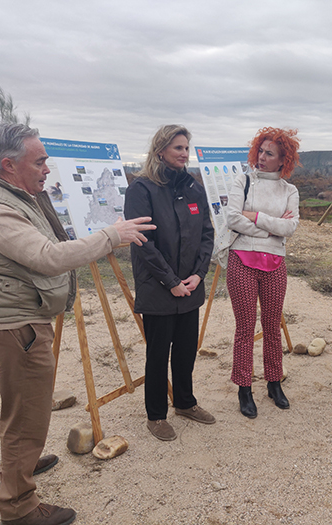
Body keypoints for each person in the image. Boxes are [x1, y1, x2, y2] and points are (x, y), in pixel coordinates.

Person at [0, 123, 155, 525]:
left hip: (21, 321)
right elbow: (47, 257)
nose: (48, 168)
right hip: (14, 326)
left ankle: (25, 463)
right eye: (40, 161)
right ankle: (18, 507)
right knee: (25, 418)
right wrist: (110, 235)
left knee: (25, 410)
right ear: (8, 165)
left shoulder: (16, 193)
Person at [124, 125, 216, 441]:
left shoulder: (193, 187)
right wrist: (171, 280)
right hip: (159, 287)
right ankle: (156, 415)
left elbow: (206, 233)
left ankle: (185, 403)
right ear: (161, 149)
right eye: (178, 148)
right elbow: (143, 242)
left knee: (187, 350)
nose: (184, 154)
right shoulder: (142, 190)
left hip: (189, 286)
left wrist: (198, 274)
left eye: (187, 148)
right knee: (158, 353)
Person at [226, 127, 300, 418]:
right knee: (245, 328)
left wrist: (254, 216)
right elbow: (232, 218)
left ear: (283, 160)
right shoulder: (242, 180)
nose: (261, 157)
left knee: (272, 326)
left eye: (270, 153)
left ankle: (273, 381)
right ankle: (244, 388)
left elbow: (290, 227)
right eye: (260, 150)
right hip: (241, 259)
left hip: (274, 264)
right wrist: (272, 226)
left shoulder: (289, 190)